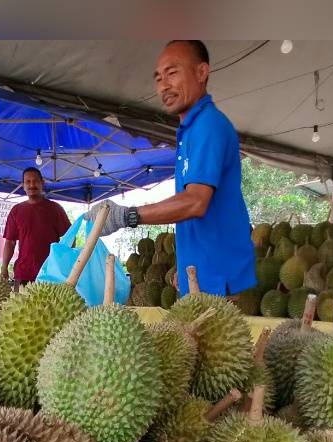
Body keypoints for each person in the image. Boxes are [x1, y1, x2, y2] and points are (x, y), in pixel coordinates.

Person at [87, 40, 256, 298]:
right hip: (202, 274)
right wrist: (187, 262)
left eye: (172, 73)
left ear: (201, 72)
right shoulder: (190, 130)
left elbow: (195, 202)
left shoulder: (208, 125)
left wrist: (128, 216)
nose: (163, 85)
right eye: (158, 77)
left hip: (219, 280)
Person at [1, 167, 72, 291]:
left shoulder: (55, 209)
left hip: (50, 273)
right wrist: (4, 267)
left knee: (51, 309)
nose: (32, 185)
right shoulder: (16, 211)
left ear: (42, 183)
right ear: (23, 185)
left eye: (35, 181)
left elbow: (69, 238)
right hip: (22, 273)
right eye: (28, 182)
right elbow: (10, 242)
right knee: (17, 307)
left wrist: (62, 263)